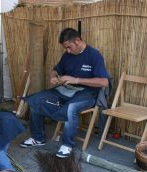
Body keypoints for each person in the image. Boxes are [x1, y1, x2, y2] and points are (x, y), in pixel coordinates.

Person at [20, 28, 109, 158]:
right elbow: (55, 70)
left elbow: (104, 82)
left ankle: (67, 145)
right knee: (36, 99)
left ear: (77, 41)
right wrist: (53, 77)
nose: (67, 51)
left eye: (69, 47)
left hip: (87, 94)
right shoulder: (67, 55)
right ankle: (38, 138)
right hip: (65, 90)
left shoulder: (94, 55)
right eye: (65, 48)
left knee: (71, 108)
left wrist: (77, 80)